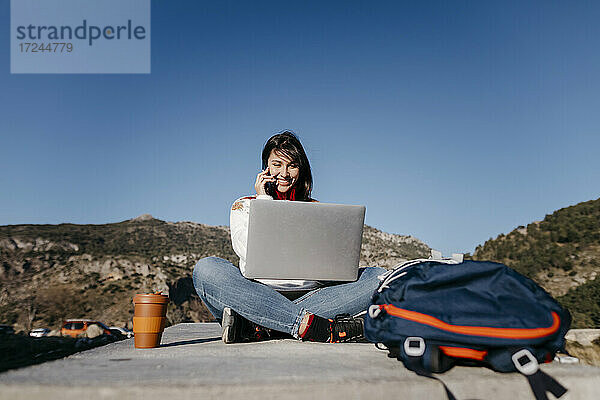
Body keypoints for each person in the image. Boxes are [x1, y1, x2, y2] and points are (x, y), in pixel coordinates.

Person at [192, 131, 386, 343]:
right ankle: (310, 326)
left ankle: (260, 324)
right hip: (255, 293)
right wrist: (264, 199)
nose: (284, 173)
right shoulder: (245, 205)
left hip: (314, 297)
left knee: (379, 276)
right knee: (206, 269)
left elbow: (329, 269)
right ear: (265, 167)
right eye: (277, 164)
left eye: (292, 165)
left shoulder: (316, 210)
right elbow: (246, 249)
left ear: (301, 169)